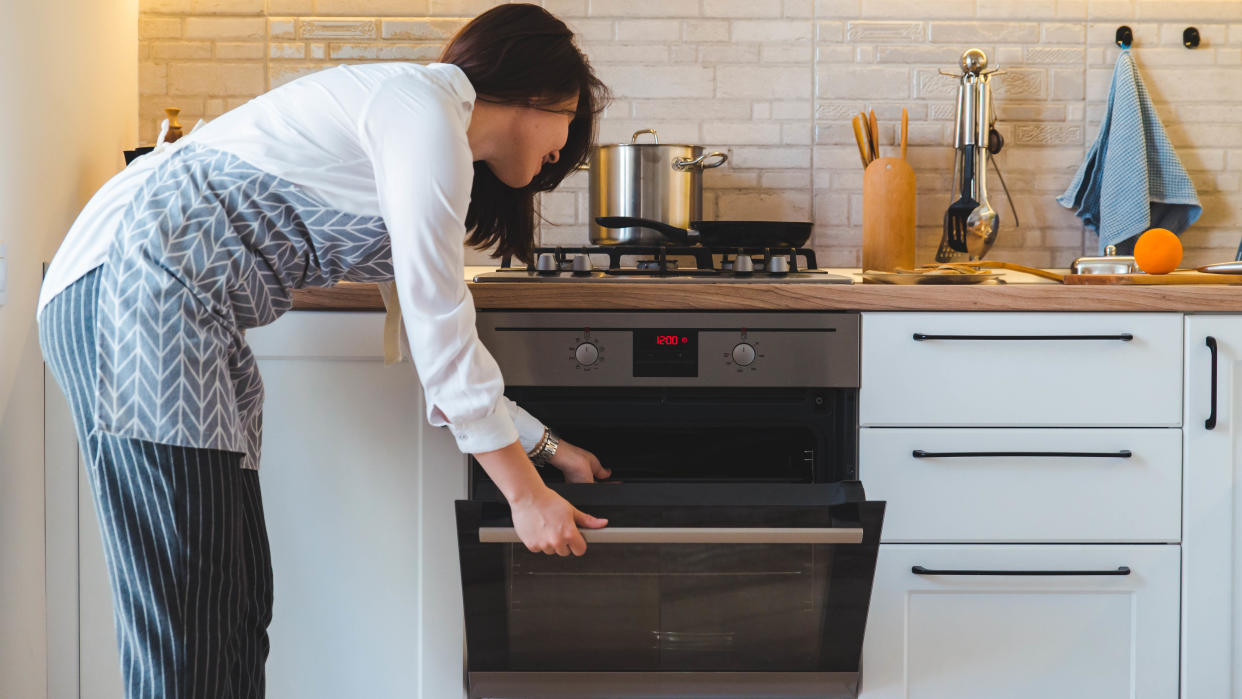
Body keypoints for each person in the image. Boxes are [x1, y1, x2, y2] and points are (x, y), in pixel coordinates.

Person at [36, 4, 611, 697]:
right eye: (571, 117)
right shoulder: (424, 115)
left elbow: (437, 348)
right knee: (190, 628)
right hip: (134, 296)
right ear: (533, 90)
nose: (568, 142)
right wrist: (527, 495)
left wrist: (544, 447)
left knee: (236, 610)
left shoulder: (425, 130)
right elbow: (441, 331)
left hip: (175, 315)